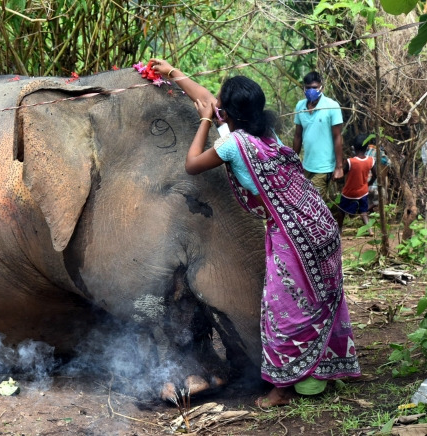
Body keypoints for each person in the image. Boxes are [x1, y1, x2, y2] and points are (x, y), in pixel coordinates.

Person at [149, 59, 360, 408]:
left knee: (283, 309)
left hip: (294, 234)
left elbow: (192, 163)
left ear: (228, 114)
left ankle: (282, 389)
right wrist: (172, 72)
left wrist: (203, 120)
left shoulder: (233, 146)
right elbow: (211, 100)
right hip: (319, 222)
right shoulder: (265, 134)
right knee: (317, 301)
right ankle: (324, 370)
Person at [292, 72, 344, 202]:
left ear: (322, 87)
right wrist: (292, 161)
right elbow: (298, 136)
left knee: (314, 203)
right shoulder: (300, 106)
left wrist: (339, 167)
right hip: (306, 165)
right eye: (308, 87)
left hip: (324, 167)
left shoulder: (332, 106)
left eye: (314, 87)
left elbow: (338, 137)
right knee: (302, 201)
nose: (311, 91)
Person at [337, 134, 377, 235]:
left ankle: (339, 230)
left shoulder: (350, 161)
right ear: (367, 148)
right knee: (363, 211)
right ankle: (370, 230)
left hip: (349, 192)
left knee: (341, 211)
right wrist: (368, 184)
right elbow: (375, 175)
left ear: (353, 148)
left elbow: (342, 175)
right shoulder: (370, 160)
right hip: (363, 192)